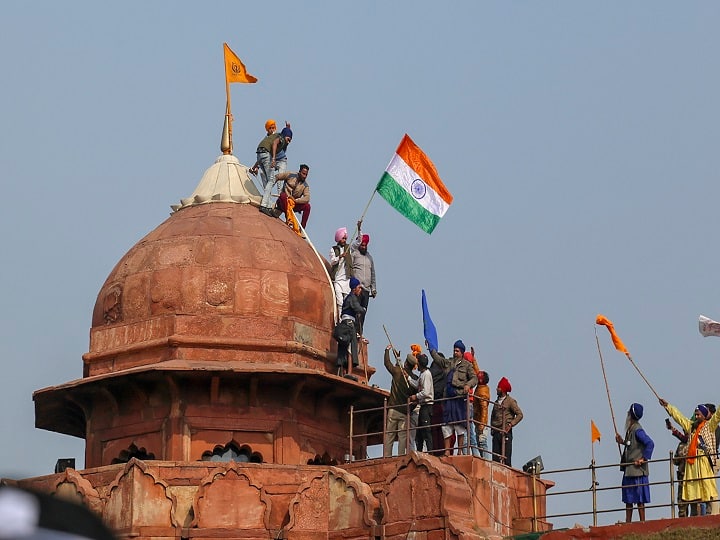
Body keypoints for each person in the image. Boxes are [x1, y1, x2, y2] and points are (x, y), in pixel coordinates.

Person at [660, 398, 719, 516]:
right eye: (695, 415)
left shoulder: (709, 426)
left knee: (706, 486)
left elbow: (717, 416)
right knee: (693, 488)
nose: (696, 417)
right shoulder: (691, 426)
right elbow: (679, 418)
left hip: (703, 461)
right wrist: (668, 407)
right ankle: (694, 515)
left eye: (698, 414)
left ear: (704, 415)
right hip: (692, 463)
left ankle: (707, 513)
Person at [429, 340, 478, 456]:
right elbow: (438, 360)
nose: (455, 352)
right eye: (454, 350)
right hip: (448, 399)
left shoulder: (467, 366)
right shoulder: (449, 363)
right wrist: (431, 349)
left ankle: (460, 451)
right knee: (446, 426)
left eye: (457, 351)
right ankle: (447, 451)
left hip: (459, 398)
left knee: (459, 426)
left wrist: (468, 385)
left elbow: (474, 378)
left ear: (461, 352)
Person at [615, 403, 654, 522]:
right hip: (629, 470)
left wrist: (643, 459)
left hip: (637, 470)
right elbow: (631, 444)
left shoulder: (637, 430)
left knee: (639, 499)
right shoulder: (631, 430)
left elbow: (650, 443)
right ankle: (628, 522)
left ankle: (642, 522)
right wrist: (622, 442)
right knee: (628, 499)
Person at [383, 345, 417, 457]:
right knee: (402, 437)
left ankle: (387, 457)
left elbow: (387, 364)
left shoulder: (397, 371)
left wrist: (387, 350)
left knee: (389, 435)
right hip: (404, 411)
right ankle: (401, 457)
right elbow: (416, 397)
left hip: (393, 408)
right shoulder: (414, 379)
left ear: (406, 362)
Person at [251, 127, 292, 214]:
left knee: (267, 180)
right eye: (288, 139)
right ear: (285, 136)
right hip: (266, 154)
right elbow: (274, 143)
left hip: (260, 153)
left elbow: (262, 155)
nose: (289, 141)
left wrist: (255, 166)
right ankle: (264, 205)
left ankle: (268, 206)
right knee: (271, 180)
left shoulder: (274, 138)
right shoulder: (280, 137)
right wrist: (273, 159)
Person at [334, 277, 365, 375]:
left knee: (344, 347)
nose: (360, 290)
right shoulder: (352, 297)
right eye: (359, 288)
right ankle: (349, 373)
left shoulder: (349, 298)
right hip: (349, 324)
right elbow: (358, 308)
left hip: (345, 323)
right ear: (354, 288)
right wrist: (362, 309)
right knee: (350, 348)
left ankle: (344, 371)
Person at [490, 376, 523, 466]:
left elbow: (520, 414)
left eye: (498, 387)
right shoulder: (496, 402)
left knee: (506, 459)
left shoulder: (510, 401)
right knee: (495, 459)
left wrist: (511, 424)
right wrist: (492, 429)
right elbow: (493, 416)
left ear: (503, 389)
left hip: (505, 432)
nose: (497, 389)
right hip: (496, 432)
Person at [350, 222, 376, 335]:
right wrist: (359, 228)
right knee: (356, 311)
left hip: (366, 289)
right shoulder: (355, 254)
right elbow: (349, 268)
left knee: (363, 312)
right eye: (362, 245)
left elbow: (373, 273)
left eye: (365, 245)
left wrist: (374, 288)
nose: (363, 247)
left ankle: (359, 333)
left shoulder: (369, 257)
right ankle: (354, 332)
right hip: (357, 288)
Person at [409, 351, 433, 452]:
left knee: (426, 430)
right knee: (420, 431)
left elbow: (426, 392)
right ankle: (419, 451)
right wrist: (408, 378)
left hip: (427, 405)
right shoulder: (422, 374)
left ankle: (430, 451)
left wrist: (416, 396)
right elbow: (417, 384)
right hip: (423, 405)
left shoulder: (426, 374)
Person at [274, 164, 311, 229]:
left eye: (306, 175)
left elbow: (307, 198)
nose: (304, 176)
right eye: (303, 173)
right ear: (299, 172)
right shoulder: (290, 174)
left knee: (307, 206)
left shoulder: (305, 185)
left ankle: (302, 229)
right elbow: (277, 177)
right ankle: (289, 219)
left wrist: (295, 200)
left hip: (293, 205)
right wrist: (269, 187)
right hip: (283, 202)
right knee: (283, 195)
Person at [666, 416, 689, 517]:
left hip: (690, 476)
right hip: (682, 475)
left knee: (692, 501)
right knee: (681, 502)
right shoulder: (681, 444)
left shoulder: (693, 443)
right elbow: (676, 460)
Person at [329, 227, 352, 317]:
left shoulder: (348, 248)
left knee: (347, 302)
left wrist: (359, 229)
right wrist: (340, 257)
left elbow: (358, 243)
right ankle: (339, 319)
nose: (344, 240)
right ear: (339, 238)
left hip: (346, 279)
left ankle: (345, 319)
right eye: (343, 238)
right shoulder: (333, 249)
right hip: (337, 279)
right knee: (339, 301)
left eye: (345, 238)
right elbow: (332, 261)